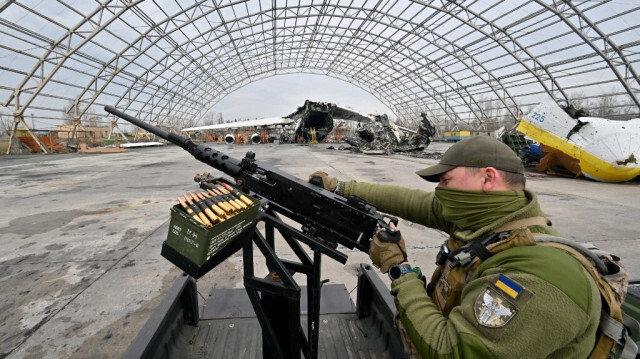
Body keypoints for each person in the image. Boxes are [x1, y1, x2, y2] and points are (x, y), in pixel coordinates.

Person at [310, 136, 601, 359]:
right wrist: (339, 188)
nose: (439, 190)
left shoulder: (537, 275)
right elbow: (408, 201)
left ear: (488, 178)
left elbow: (451, 349)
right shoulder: (488, 219)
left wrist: (401, 270)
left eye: (446, 180)